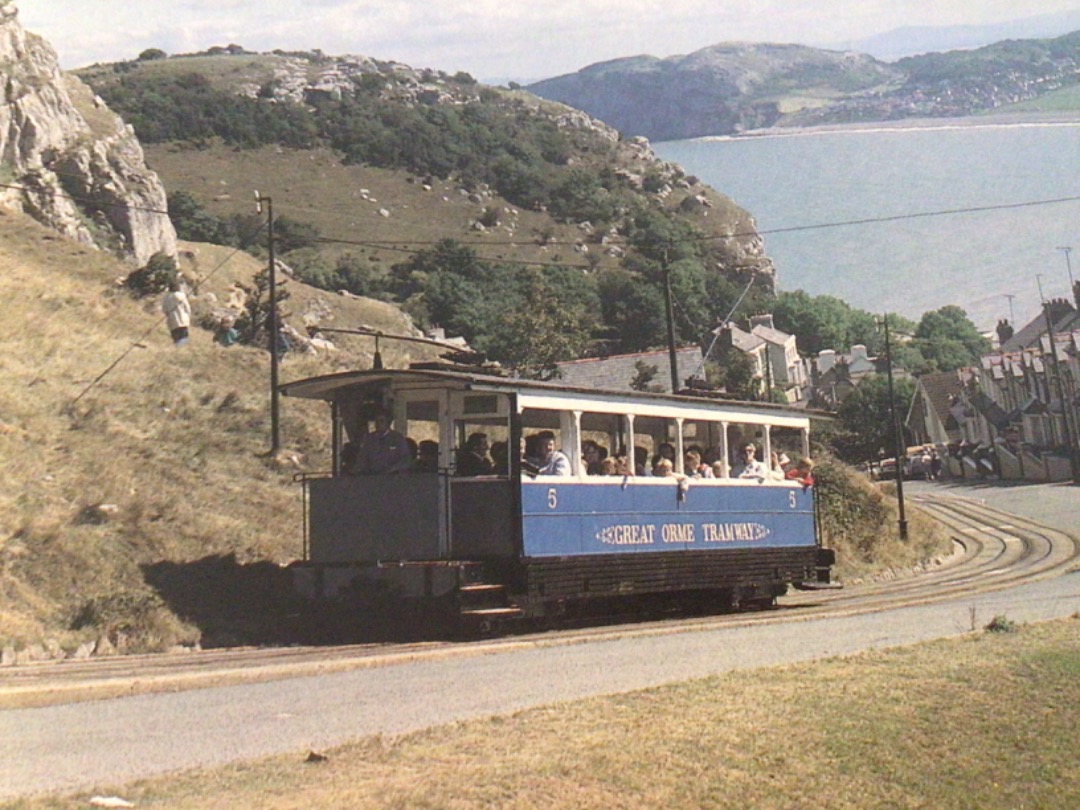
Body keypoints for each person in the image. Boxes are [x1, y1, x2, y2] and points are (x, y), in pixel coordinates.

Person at [352, 410, 413, 474]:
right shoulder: (369, 439)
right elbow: (362, 458)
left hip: (393, 477)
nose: (378, 424)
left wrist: (392, 469)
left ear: (388, 423)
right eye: (376, 421)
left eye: (382, 421)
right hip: (373, 476)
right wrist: (356, 470)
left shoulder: (397, 438)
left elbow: (406, 460)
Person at [162, 280, 191, 346]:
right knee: (183, 337)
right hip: (182, 320)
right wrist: (188, 317)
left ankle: (177, 348)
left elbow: (164, 309)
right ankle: (180, 349)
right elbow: (187, 308)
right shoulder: (181, 295)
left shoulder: (166, 297)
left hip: (171, 321)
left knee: (176, 338)